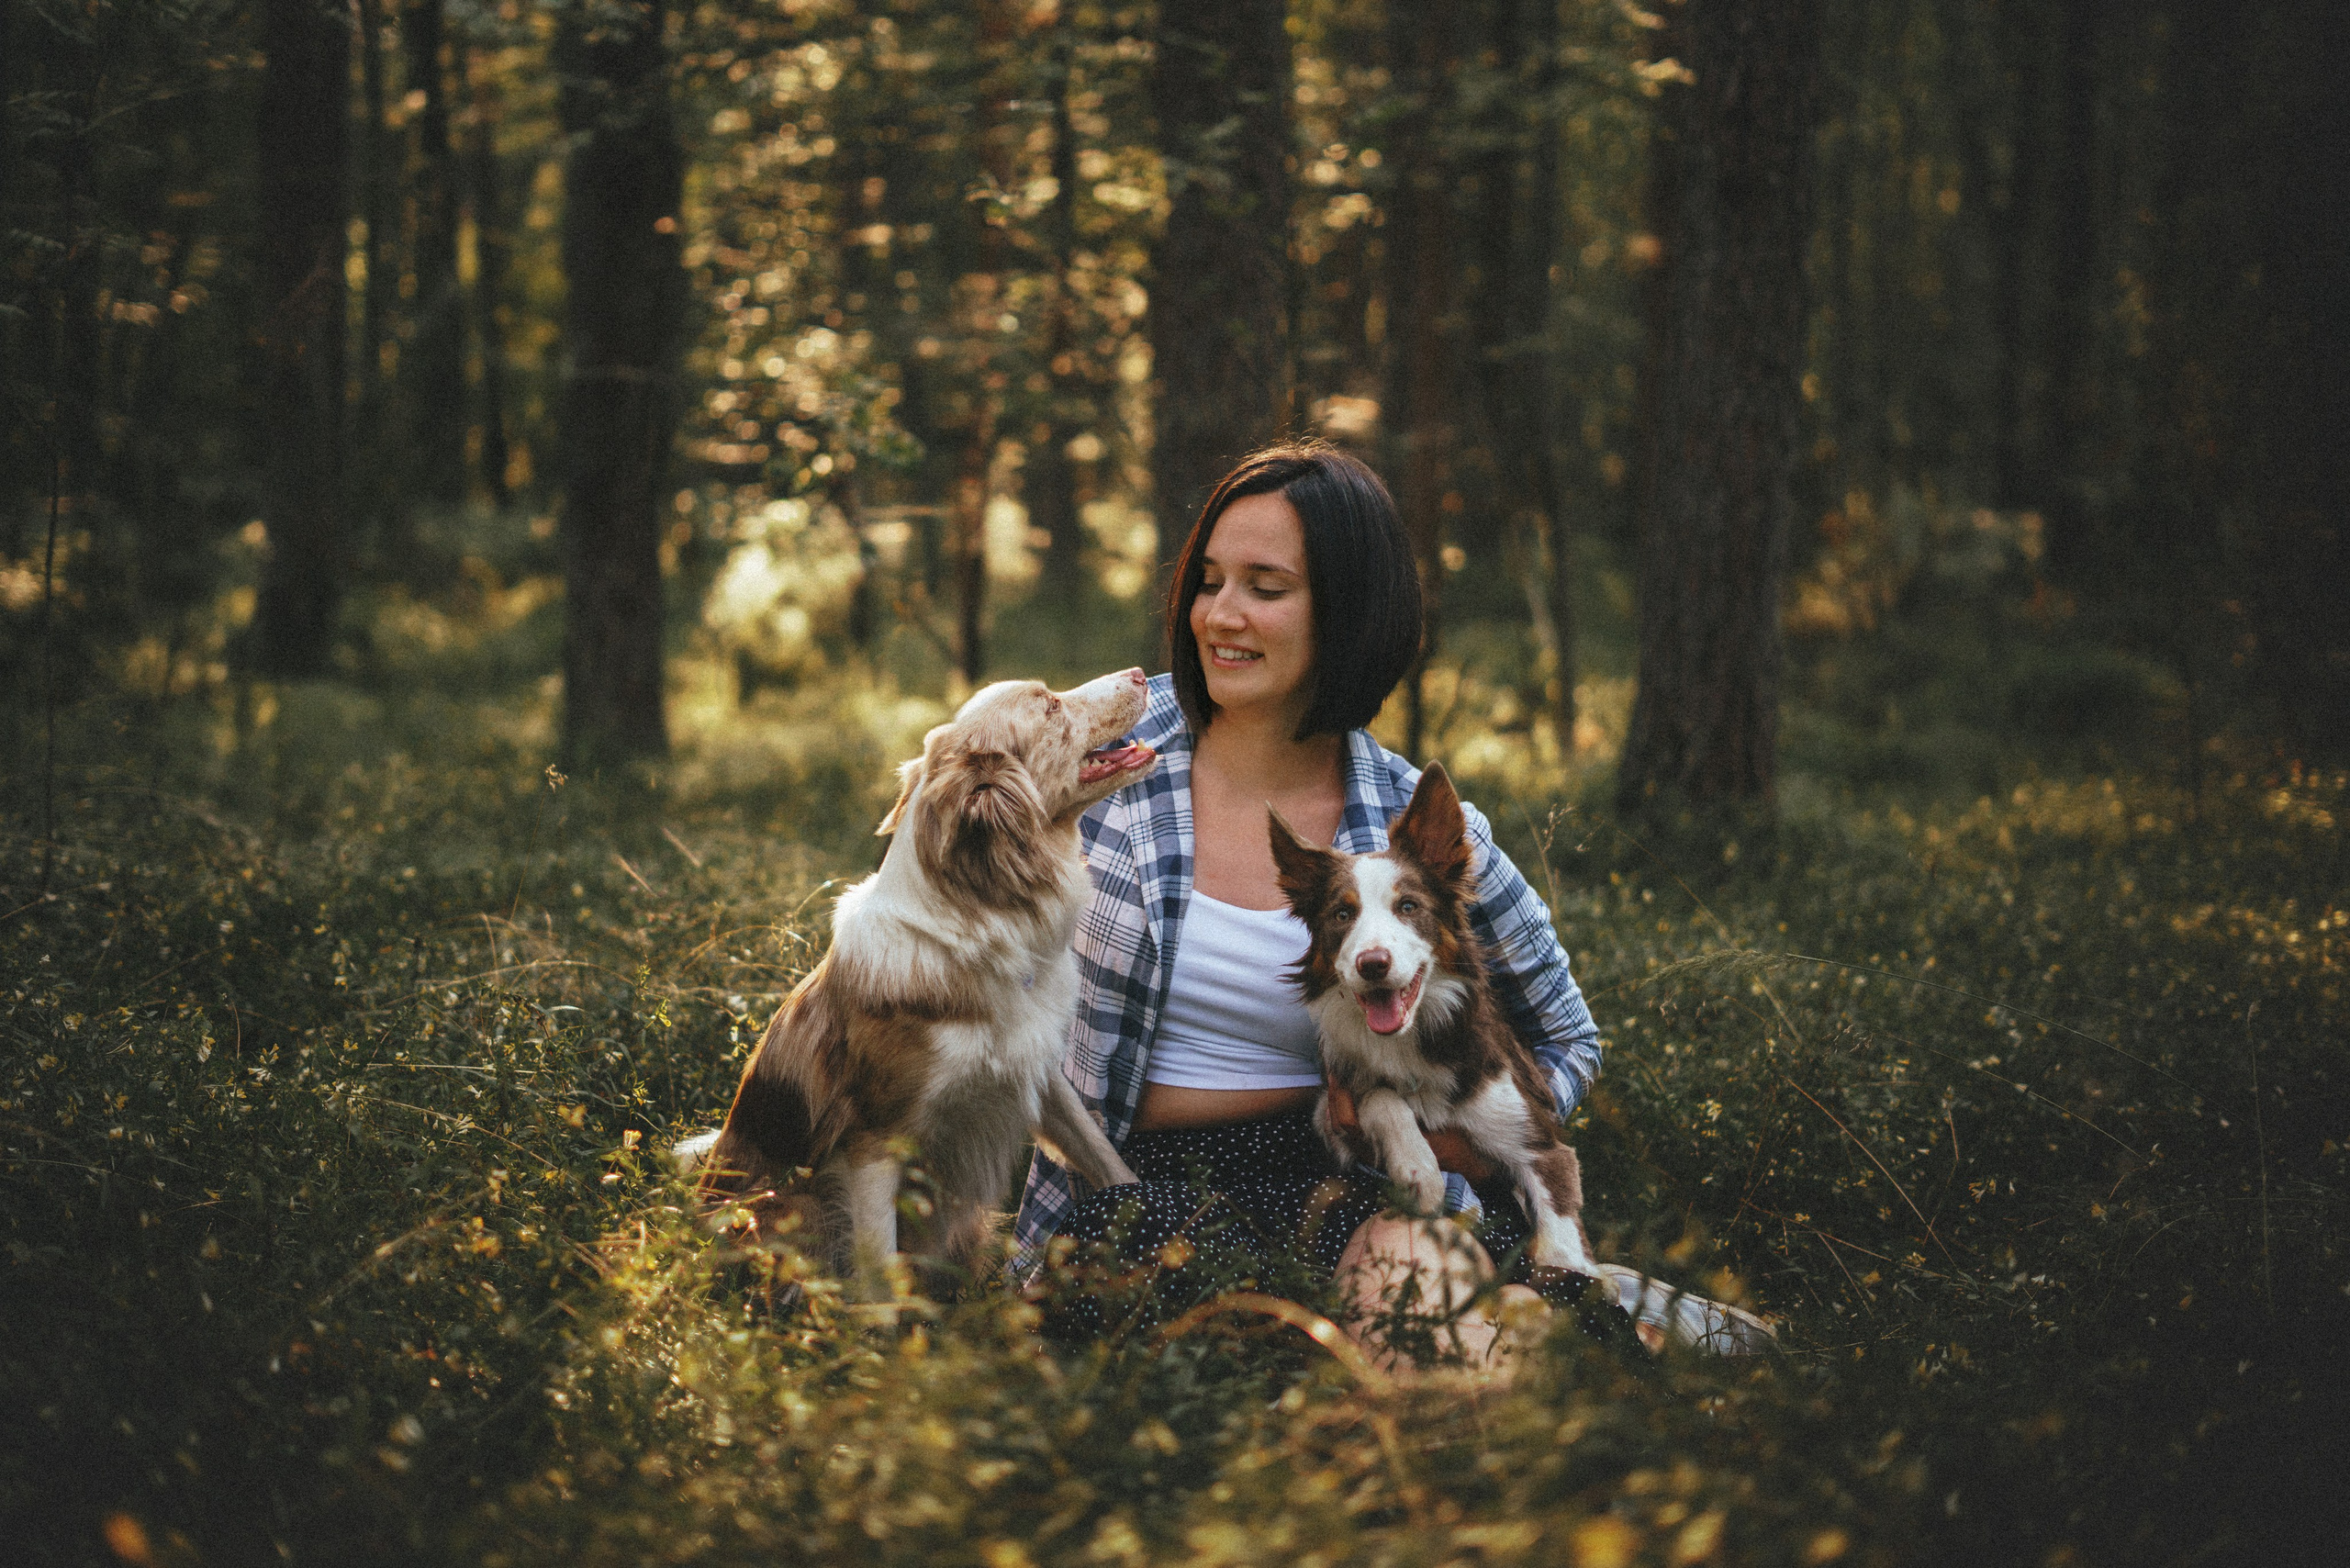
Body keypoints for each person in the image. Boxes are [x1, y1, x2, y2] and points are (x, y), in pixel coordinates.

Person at [1011, 442, 1615, 1369]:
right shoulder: (1101, 756)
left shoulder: (1409, 820)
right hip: (1139, 1186)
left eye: (1266, 587)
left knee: (1424, 1345)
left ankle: (1526, 1352)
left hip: (1361, 1179)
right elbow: (945, 923)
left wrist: (1465, 1134)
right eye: (1209, 580)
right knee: (1183, 1349)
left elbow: (1568, 1038)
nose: (1220, 614)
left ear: (1346, 611)